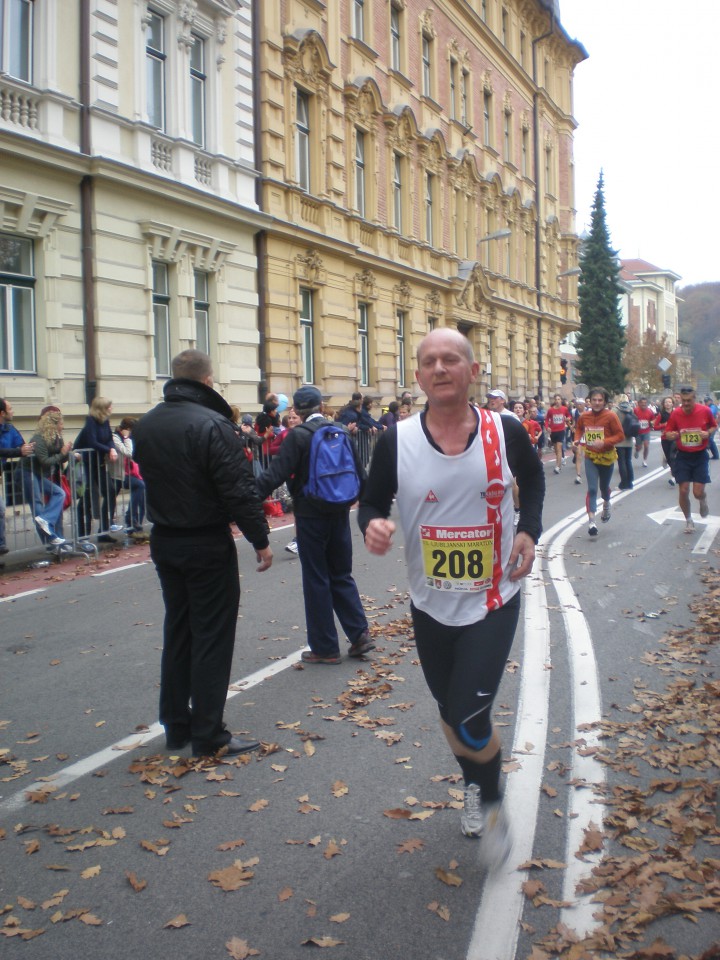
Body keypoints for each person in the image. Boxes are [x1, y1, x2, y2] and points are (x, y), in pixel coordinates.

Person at [358, 328, 544, 870]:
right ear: (417, 376)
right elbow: (369, 501)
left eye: (451, 359)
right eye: (429, 361)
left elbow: (531, 480)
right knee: (449, 709)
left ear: (472, 370)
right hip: (430, 601)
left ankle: (489, 802)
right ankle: (474, 780)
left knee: (467, 714)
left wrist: (528, 529)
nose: (440, 368)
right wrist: (371, 525)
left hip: (493, 597)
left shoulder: (504, 429)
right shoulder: (398, 439)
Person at [132, 349, 273, 757]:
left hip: (166, 537)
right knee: (212, 633)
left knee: (179, 629)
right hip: (205, 538)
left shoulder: (148, 424)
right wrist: (259, 539)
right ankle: (209, 732)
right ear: (207, 382)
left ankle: (176, 724)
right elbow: (237, 489)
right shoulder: (213, 425)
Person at [255, 385, 374, 665]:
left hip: (310, 512)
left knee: (316, 578)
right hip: (339, 510)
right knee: (341, 574)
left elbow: (275, 475)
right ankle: (359, 635)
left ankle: (324, 647)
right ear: (321, 406)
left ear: (296, 409)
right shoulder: (341, 431)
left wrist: (242, 499)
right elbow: (359, 472)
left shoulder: (298, 436)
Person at [663, 386, 716, 533]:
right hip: (683, 455)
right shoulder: (676, 413)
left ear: (695, 399)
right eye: (683, 400)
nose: (685, 403)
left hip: (700, 455)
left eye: (689, 400)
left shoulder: (704, 411)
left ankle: (703, 500)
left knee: (697, 492)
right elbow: (667, 433)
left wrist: (707, 433)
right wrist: (671, 435)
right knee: (683, 490)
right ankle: (688, 520)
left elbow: (714, 426)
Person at [573, 388, 624, 537]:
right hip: (591, 456)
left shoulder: (611, 416)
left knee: (604, 487)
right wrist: (576, 440)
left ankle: (607, 504)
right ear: (590, 400)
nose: (596, 403)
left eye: (600, 400)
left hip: (607, 456)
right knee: (593, 489)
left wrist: (604, 442)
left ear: (605, 402)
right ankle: (592, 522)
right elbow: (579, 429)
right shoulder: (584, 416)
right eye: (594, 400)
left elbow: (620, 435)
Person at [21, 409, 71, 546]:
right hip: (27, 472)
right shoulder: (39, 439)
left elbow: (61, 458)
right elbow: (45, 461)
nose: (63, 427)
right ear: (53, 425)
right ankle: (51, 540)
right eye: (61, 424)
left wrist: (66, 452)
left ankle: (46, 519)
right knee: (37, 504)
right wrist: (62, 454)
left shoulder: (57, 438)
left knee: (59, 493)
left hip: (38, 473)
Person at [74, 396, 119, 541]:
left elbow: (109, 439)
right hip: (87, 464)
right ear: (102, 409)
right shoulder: (91, 422)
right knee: (86, 500)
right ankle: (83, 536)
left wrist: (111, 449)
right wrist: (108, 450)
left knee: (110, 491)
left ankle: (104, 529)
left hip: (99, 464)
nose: (111, 408)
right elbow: (92, 442)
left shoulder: (105, 421)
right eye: (109, 406)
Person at [0, 399, 35, 560]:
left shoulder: (9, 428)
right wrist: (18, 452)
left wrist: (28, 448)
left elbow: (21, 445)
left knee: (1, 510)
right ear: (2, 413)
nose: (13, 411)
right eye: (10, 409)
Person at [653, 396, 677, 486]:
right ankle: (674, 473)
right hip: (665, 438)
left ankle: (674, 476)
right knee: (669, 458)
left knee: (673, 456)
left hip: (675, 438)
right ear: (663, 404)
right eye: (666, 402)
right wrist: (664, 425)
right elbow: (655, 427)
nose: (668, 404)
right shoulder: (661, 414)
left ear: (672, 403)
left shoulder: (676, 413)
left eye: (669, 402)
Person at [615, 400, 636, 491]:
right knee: (628, 461)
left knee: (621, 461)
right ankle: (630, 482)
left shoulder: (615, 410)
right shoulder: (631, 409)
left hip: (619, 440)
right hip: (629, 439)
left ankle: (623, 483)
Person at [547, 394, 571, 474]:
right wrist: (547, 427)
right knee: (556, 450)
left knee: (559, 448)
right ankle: (559, 463)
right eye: (556, 399)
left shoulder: (564, 409)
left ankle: (557, 466)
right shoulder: (550, 410)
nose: (557, 401)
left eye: (559, 399)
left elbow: (569, 415)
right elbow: (547, 420)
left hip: (561, 430)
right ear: (554, 400)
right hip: (553, 431)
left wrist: (568, 418)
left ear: (561, 400)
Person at [632, 396, 653, 467]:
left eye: (645, 403)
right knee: (639, 447)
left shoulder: (650, 411)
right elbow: (631, 419)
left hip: (646, 431)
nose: (644, 404)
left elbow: (653, 420)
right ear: (639, 403)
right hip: (638, 432)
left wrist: (652, 425)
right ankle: (637, 450)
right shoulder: (635, 410)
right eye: (642, 403)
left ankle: (644, 461)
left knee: (646, 446)